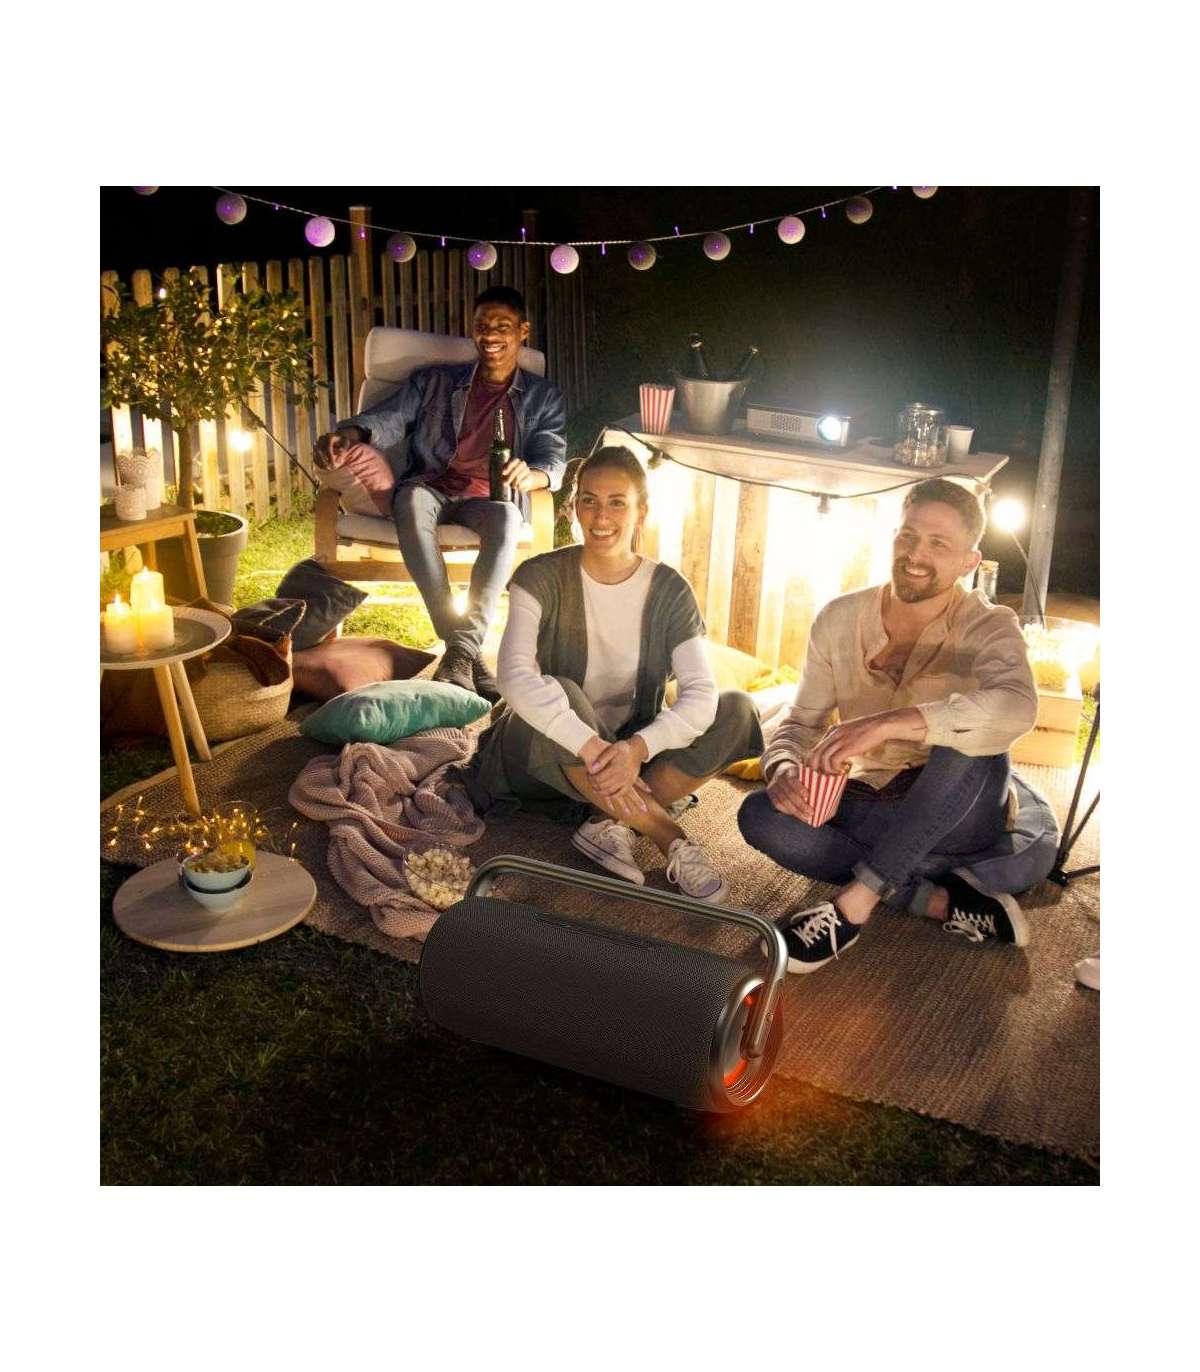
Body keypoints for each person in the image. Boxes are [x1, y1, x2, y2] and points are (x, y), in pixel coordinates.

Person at [737, 477, 1040, 973]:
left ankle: (851, 910)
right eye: (908, 536)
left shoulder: (990, 624)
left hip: (956, 809)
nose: (916, 555)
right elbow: (802, 722)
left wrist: (890, 724)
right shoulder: (838, 618)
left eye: (938, 544)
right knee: (759, 815)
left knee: (969, 743)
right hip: (865, 801)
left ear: (969, 561)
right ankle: (934, 898)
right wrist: (784, 768)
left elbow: (1018, 706)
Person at [461, 446, 763, 903]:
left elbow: (701, 693)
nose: (601, 516)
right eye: (589, 500)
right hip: (541, 754)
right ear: (574, 507)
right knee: (555, 693)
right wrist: (596, 748)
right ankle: (666, 836)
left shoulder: (670, 590)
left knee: (737, 709)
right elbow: (514, 677)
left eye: (617, 502)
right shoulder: (539, 576)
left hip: (629, 755)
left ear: (642, 512)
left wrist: (636, 748)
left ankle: (607, 821)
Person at [315, 286, 566, 699]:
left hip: (490, 498)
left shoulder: (542, 395)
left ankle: (459, 652)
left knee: (507, 518)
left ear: (523, 331)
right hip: (431, 486)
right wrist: (350, 434)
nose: (490, 335)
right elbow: (389, 419)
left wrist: (532, 474)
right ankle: (465, 651)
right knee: (410, 500)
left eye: (502, 326)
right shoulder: (434, 381)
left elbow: (551, 458)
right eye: (482, 325)